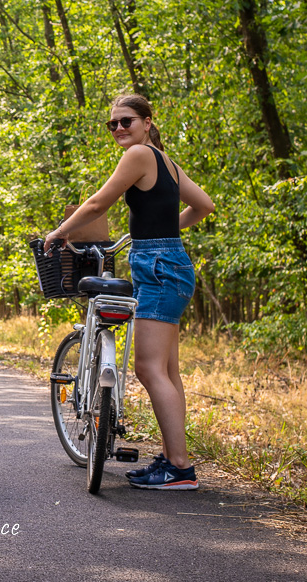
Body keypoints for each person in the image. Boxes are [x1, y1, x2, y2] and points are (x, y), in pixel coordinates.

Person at [45, 93, 214, 490]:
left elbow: (99, 202)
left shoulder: (139, 155)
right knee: (168, 371)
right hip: (171, 262)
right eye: (114, 124)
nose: (120, 129)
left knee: (149, 369)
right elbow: (203, 205)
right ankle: (177, 460)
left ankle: (179, 468)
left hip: (156, 266)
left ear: (147, 121)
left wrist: (59, 232)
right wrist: (163, 232)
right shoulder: (165, 160)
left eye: (127, 121)